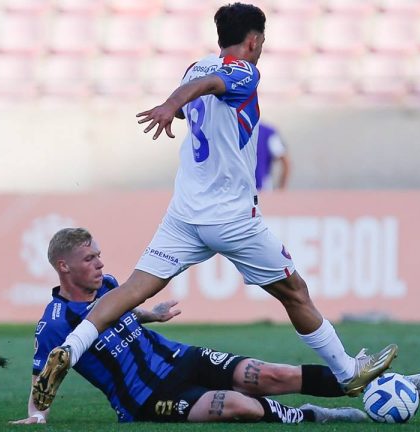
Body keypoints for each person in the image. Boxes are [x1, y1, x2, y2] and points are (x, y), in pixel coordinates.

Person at [32, 3, 398, 411]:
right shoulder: (242, 71)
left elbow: (202, 97)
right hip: (232, 217)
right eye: (262, 42)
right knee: (294, 293)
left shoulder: (193, 67)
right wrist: (172, 104)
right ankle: (349, 374)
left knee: (132, 290)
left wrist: (180, 102)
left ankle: (69, 346)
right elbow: (209, 86)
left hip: (185, 214)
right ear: (254, 40)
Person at [13, 228, 420, 424]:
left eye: (100, 255)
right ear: (63, 266)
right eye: (90, 259)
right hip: (147, 399)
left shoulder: (107, 287)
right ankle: (315, 415)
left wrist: (148, 315)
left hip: (180, 357)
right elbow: (46, 372)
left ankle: (382, 386)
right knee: (240, 406)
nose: (101, 264)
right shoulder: (53, 326)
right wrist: (37, 415)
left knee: (272, 374)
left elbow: (114, 319)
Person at [255, 122, 290, 191]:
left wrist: (282, 188)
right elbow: (285, 161)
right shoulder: (267, 131)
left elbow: (285, 161)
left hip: (261, 187)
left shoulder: (267, 131)